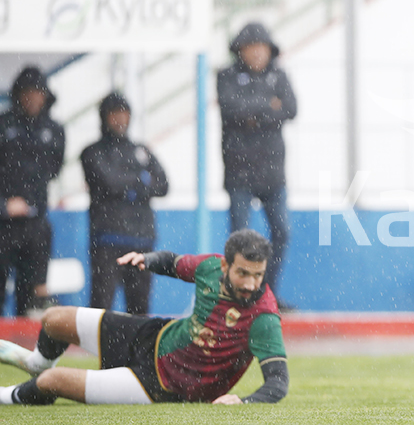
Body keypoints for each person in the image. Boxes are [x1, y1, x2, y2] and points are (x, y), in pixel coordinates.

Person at [0, 229, 288, 405]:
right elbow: (171, 262)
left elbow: (277, 384)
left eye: (258, 275)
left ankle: (16, 394)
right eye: (243, 273)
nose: (251, 284)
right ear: (225, 265)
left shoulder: (263, 316)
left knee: (54, 381)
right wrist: (146, 259)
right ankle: (35, 364)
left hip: (163, 385)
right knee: (53, 318)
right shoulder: (210, 267)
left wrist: (242, 401)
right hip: (153, 336)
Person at [217, 22, 297, 309]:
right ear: (240, 50)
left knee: (282, 232)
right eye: (251, 48)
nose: (257, 54)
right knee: (240, 238)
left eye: (261, 48)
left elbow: (291, 109)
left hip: (273, 174)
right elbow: (231, 109)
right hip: (239, 172)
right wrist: (267, 107)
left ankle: (266, 294)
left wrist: (252, 112)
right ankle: (238, 296)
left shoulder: (279, 75)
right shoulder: (226, 76)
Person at [81, 92, 169, 315]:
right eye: (114, 114)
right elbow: (108, 182)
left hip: (141, 241)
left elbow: (164, 185)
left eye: (124, 114)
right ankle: (97, 350)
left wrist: (127, 183)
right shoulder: (92, 152)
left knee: (139, 309)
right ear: (104, 117)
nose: (120, 119)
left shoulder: (142, 150)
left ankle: (137, 350)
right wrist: (140, 179)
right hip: (107, 239)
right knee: (101, 306)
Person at [0, 65, 65, 317]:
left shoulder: (54, 130)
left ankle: (23, 354)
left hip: (36, 225)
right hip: (3, 226)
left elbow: (53, 169)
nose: (33, 98)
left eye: (38, 92)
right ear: (18, 93)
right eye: (28, 92)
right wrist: (4, 205)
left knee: (31, 300)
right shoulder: (4, 125)